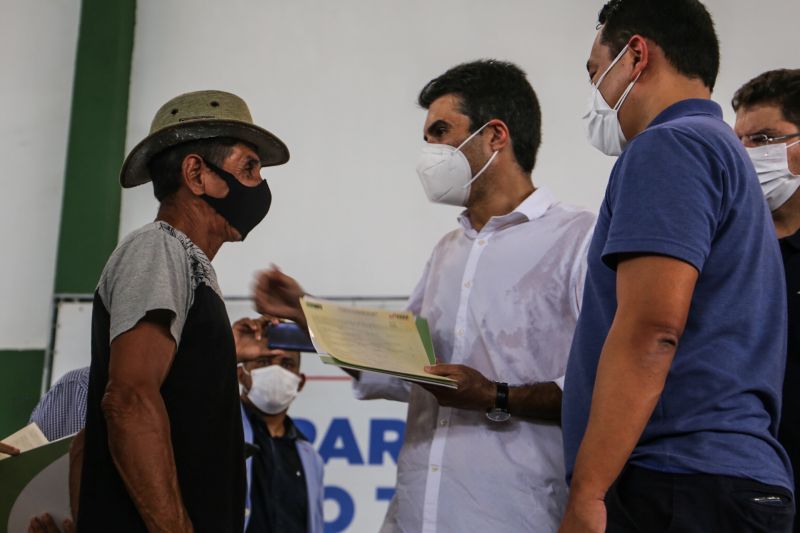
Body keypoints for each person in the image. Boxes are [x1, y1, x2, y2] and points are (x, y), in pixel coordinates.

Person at [255, 60, 596, 532]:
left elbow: (602, 390)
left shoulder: (579, 239)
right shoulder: (447, 252)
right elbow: (401, 370)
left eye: (440, 132)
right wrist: (305, 311)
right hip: (415, 514)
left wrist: (494, 395)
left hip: (517, 516)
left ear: (496, 135)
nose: (429, 151)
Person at [560, 2, 794, 532]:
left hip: (677, 483)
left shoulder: (669, 146)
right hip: (721, 483)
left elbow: (652, 329)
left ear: (636, 55)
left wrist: (589, 492)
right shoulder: (720, 153)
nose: (596, 94)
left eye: (596, 72)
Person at [77, 90, 289, 532]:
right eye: (248, 167)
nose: (259, 185)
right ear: (196, 173)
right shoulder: (159, 248)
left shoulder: (190, 266)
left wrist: (222, 352)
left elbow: (98, 432)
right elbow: (128, 400)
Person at [734, 68, 800, 532]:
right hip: (732, 492)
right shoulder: (720, 253)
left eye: (763, 138)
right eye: (738, 142)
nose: (746, 155)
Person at [233, 317, 324, 533]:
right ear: (240, 375)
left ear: (300, 382)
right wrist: (228, 351)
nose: (276, 371)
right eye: (264, 362)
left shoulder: (310, 457)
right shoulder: (221, 434)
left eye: (287, 364)